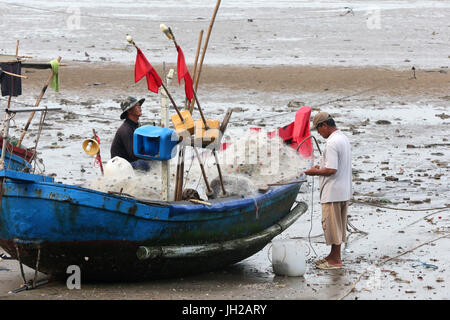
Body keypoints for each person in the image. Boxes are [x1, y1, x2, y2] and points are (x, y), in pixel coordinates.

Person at [304, 112, 352, 270]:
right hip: (343, 190)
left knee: (332, 227)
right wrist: (321, 167)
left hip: (332, 192)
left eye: (318, 130)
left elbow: (331, 169)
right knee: (338, 225)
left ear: (324, 125)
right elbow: (334, 165)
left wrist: (314, 172)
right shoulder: (343, 138)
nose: (318, 133)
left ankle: (336, 260)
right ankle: (333, 255)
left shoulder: (331, 143)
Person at [110, 96, 150, 171]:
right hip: (119, 165)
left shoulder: (137, 126)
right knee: (143, 164)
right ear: (129, 111)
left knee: (156, 159)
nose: (140, 108)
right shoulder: (125, 130)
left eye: (139, 105)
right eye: (137, 106)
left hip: (130, 161)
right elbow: (133, 155)